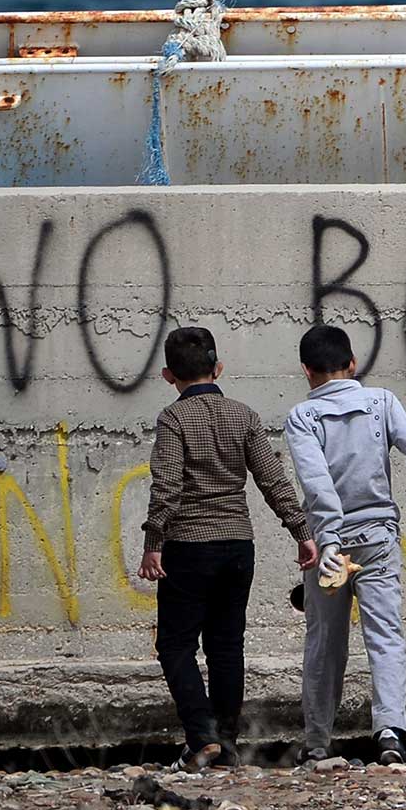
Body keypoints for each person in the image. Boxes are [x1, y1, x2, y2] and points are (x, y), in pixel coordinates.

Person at [139, 324, 317, 771]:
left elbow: (166, 487)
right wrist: (301, 532)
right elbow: (273, 479)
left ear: (167, 375)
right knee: (226, 646)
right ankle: (228, 740)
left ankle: (201, 736)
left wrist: (153, 543)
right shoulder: (244, 415)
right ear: (219, 368)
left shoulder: (173, 419)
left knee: (176, 645)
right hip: (238, 545)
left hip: (188, 546)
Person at [284, 323, 406, 765]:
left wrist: (329, 539)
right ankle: (390, 733)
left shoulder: (302, 417)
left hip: (328, 547)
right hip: (377, 539)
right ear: (352, 364)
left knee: (325, 642)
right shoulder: (381, 402)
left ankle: (317, 740)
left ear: (306, 371)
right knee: (386, 636)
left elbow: (316, 484)